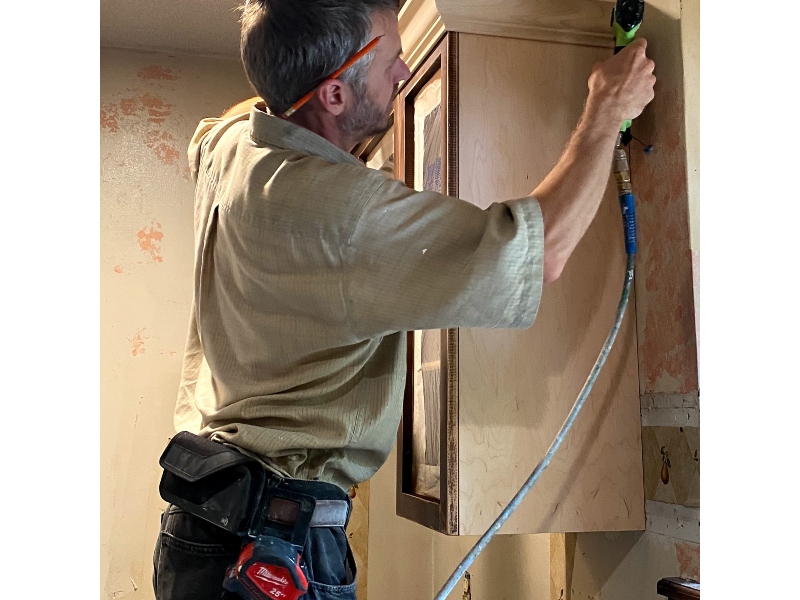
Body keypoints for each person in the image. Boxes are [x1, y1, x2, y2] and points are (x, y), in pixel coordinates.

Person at [151, 1, 656, 599]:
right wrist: (606, 112)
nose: (405, 70)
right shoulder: (342, 213)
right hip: (276, 550)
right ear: (333, 95)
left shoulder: (231, 148)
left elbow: (226, 121)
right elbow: (536, 252)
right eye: (391, 58)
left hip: (202, 527)